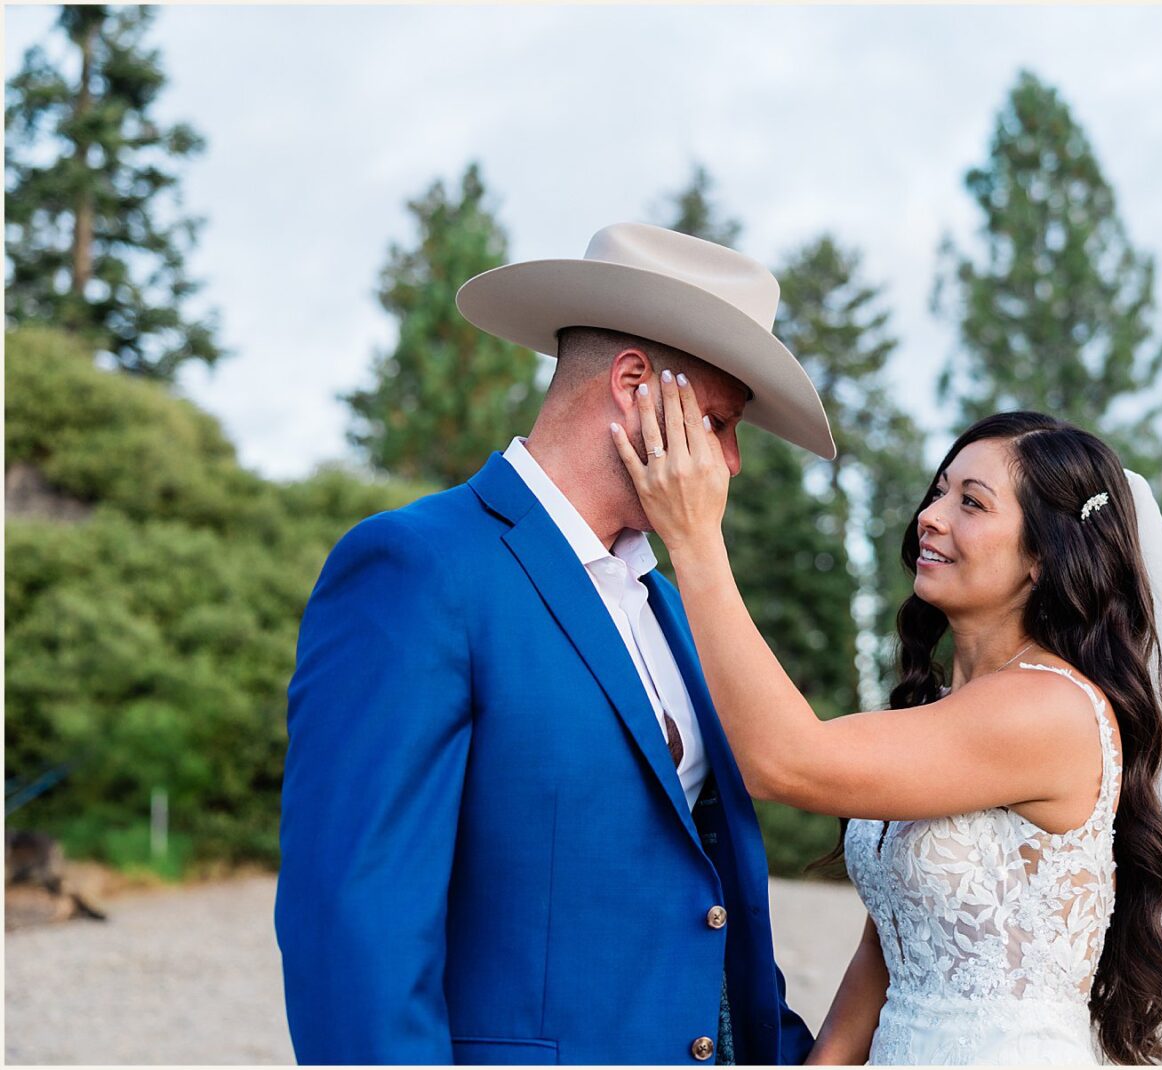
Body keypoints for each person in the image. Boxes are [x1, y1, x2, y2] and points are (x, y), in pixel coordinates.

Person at [614, 394, 1162, 1065]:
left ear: (1043, 557)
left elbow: (784, 762)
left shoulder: (1047, 710)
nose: (930, 516)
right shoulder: (948, 712)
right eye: (940, 491)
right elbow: (893, 942)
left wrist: (695, 538)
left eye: (972, 503)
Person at [275, 222, 832, 1064]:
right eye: (719, 422)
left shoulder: (677, 608)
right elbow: (354, 926)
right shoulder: (418, 568)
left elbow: (711, 907)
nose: (732, 461)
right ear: (635, 386)